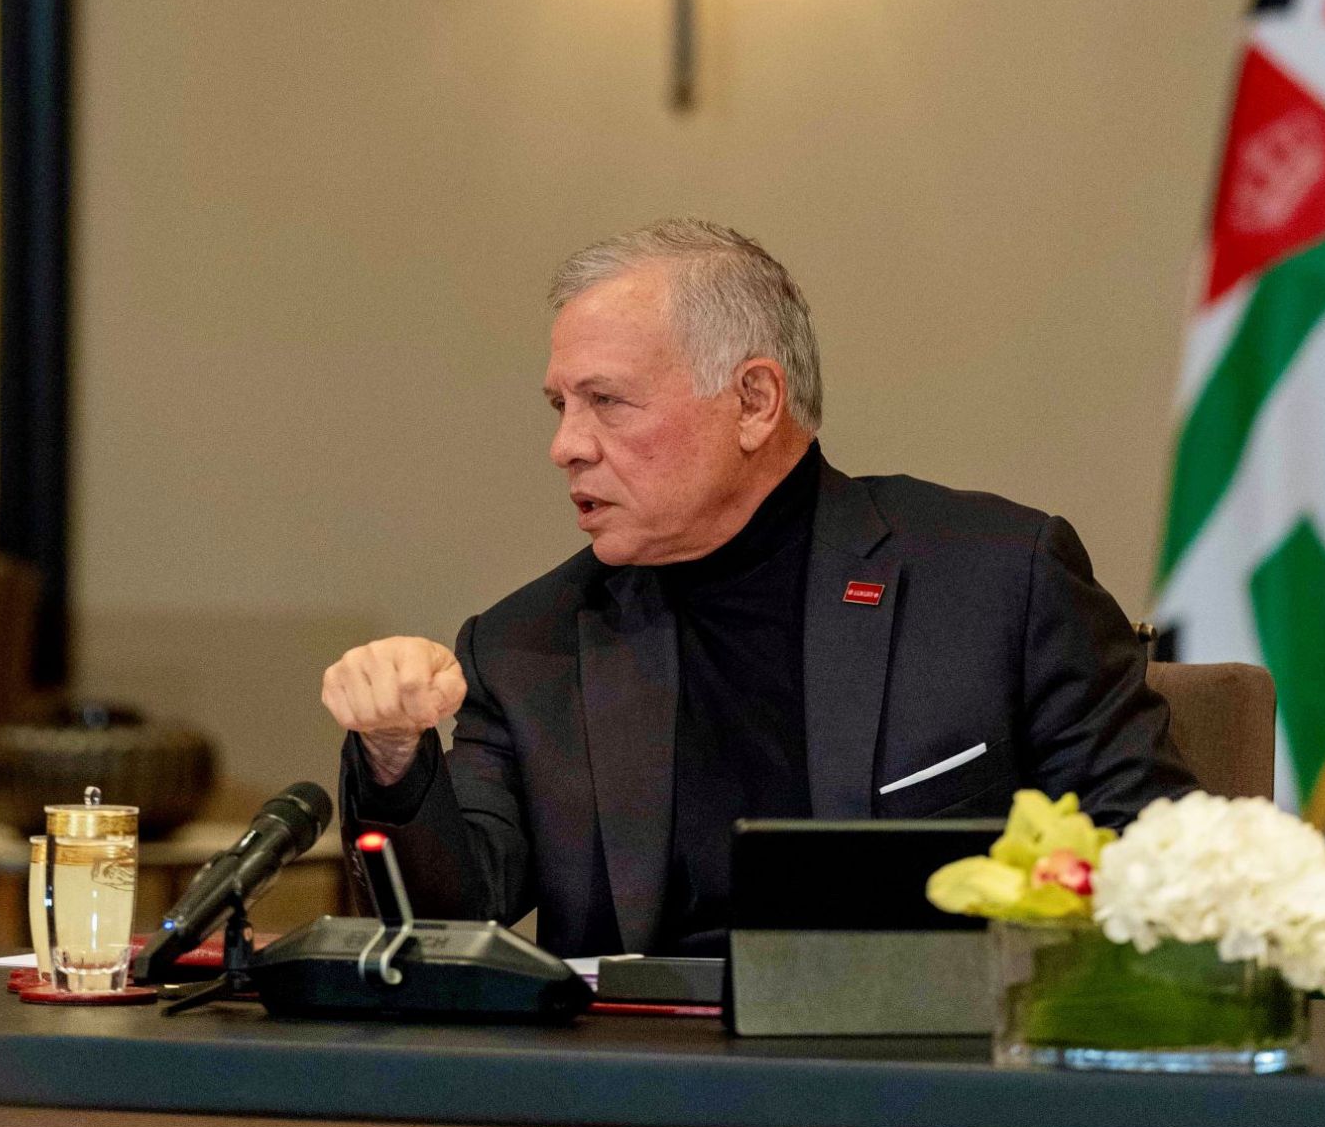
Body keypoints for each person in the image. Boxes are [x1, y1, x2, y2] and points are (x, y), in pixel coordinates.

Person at [321, 221, 1197, 957]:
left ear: (753, 401)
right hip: (633, 1087)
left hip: (924, 1072)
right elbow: (446, 926)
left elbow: (1153, 852)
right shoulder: (526, 645)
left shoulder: (996, 580)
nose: (567, 446)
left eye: (606, 401)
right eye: (560, 405)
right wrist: (395, 751)